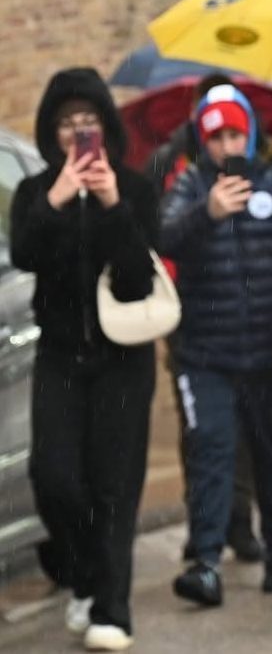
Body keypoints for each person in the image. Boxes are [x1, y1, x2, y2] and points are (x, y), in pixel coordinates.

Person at [159, 85, 272, 607]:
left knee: (270, 456)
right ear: (203, 141)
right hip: (204, 355)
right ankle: (205, 563)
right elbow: (163, 238)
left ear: (249, 135)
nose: (227, 146)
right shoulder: (190, 186)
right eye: (216, 137)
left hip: (267, 355)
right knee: (210, 449)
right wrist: (205, 212)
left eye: (235, 134)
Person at [11, 67, 159, 652]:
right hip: (60, 357)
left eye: (88, 121)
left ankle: (112, 610)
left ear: (106, 128)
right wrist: (56, 198)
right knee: (54, 478)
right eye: (67, 123)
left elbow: (138, 277)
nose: (78, 132)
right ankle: (84, 575)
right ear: (52, 132)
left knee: (114, 486)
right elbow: (25, 253)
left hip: (125, 360)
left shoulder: (134, 189)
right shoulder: (35, 192)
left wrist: (111, 203)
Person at [144, 71, 265, 564]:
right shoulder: (173, 164)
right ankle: (206, 529)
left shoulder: (260, 169)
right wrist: (204, 212)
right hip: (190, 319)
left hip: (248, 323)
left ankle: (239, 521)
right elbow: (158, 229)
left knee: (245, 431)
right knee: (203, 433)